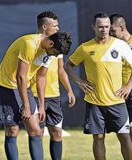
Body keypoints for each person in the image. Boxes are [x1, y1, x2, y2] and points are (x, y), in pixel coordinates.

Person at [65, 12, 132, 160]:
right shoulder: (85, 47)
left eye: (107, 26)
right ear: (93, 27)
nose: (104, 29)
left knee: (124, 136)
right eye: (100, 26)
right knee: (98, 138)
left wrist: (128, 86)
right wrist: (79, 82)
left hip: (117, 102)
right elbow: (68, 65)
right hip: (94, 102)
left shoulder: (120, 45)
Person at [0, 31, 72, 160]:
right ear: (51, 43)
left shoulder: (49, 52)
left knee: (35, 130)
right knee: (12, 130)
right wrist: (26, 106)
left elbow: (41, 77)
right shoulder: (30, 44)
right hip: (7, 86)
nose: (56, 56)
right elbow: (20, 77)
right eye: (56, 52)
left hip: (26, 87)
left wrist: (41, 105)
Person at [30, 11, 75, 160]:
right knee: (38, 133)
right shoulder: (35, 45)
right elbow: (38, 74)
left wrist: (69, 90)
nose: (57, 28)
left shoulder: (58, 44)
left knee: (57, 131)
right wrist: (40, 104)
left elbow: (61, 70)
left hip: (54, 95)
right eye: (55, 26)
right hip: (36, 95)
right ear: (44, 27)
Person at [110, 13, 132, 160]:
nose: (110, 34)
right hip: (118, 92)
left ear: (121, 27)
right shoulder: (113, 45)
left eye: (112, 30)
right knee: (122, 132)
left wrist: (129, 85)